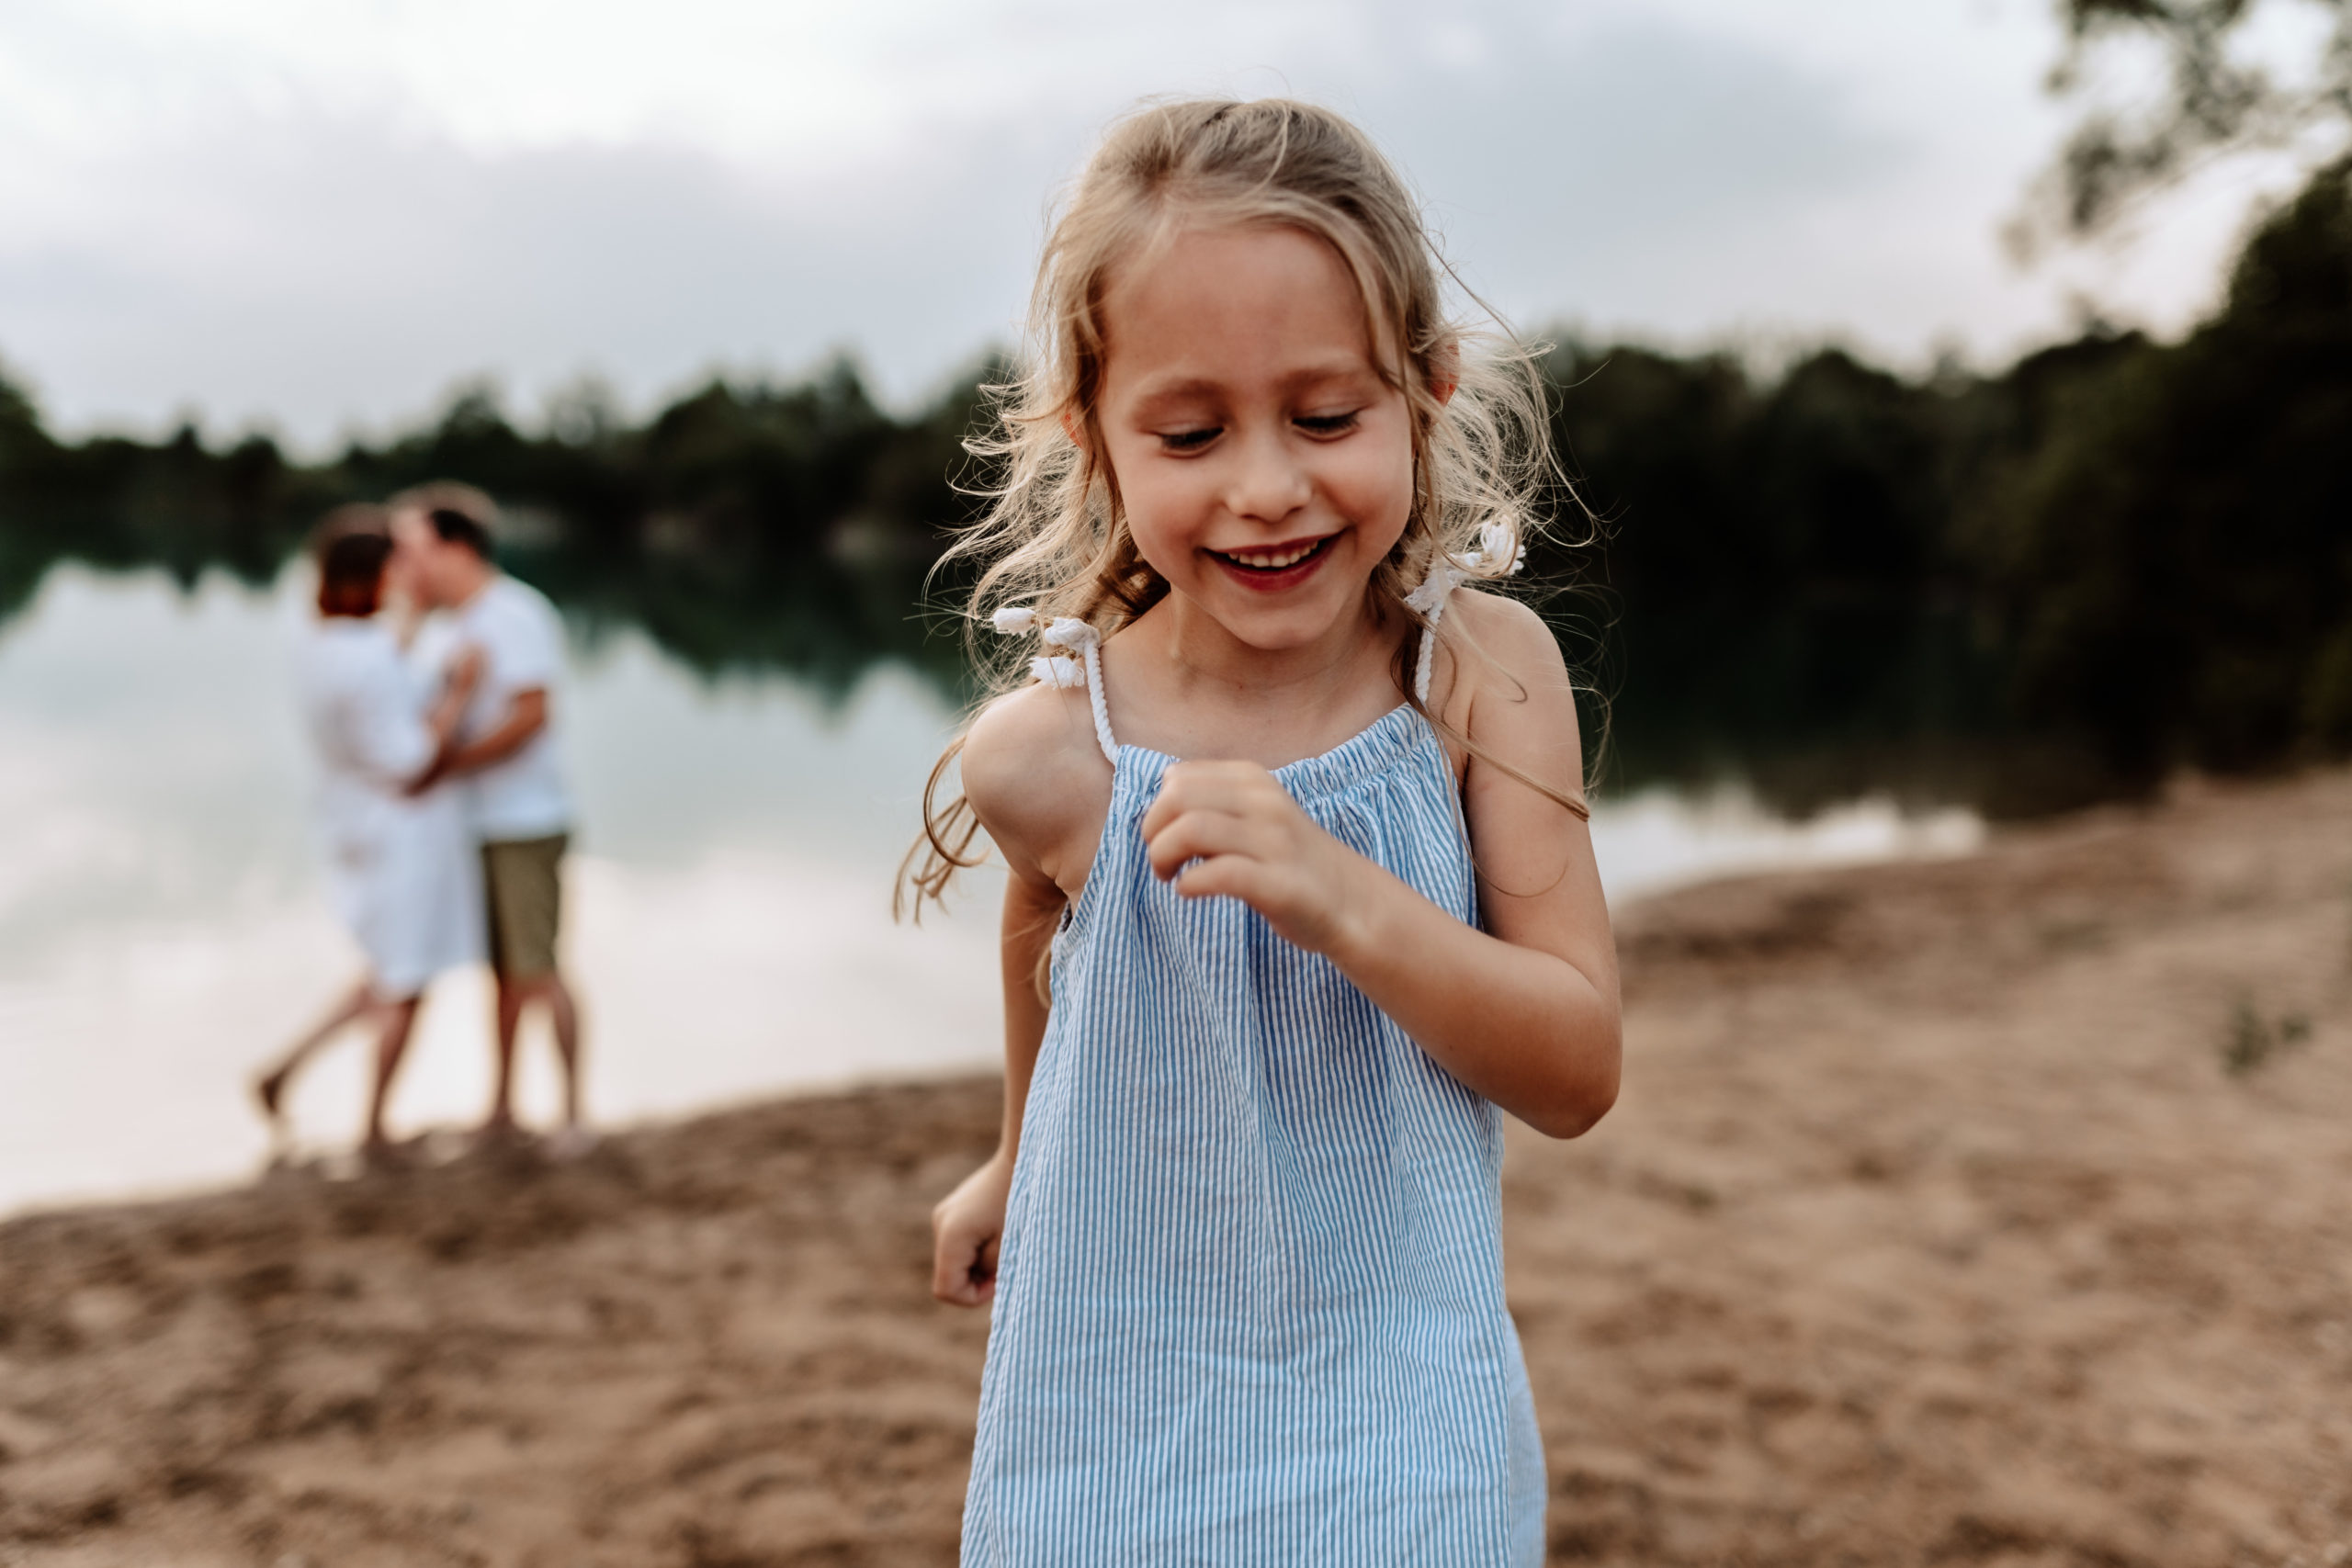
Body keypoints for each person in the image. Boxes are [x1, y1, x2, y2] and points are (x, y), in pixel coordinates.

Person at [904, 99, 1623, 1562]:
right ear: (1092, 436)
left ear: (1425, 389)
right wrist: (1010, 1152)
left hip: (1405, 1430)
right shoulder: (1049, 751)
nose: (1266, 486)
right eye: (1189, 430)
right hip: (1109, 1416)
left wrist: (1342, 896)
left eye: (1325, 415)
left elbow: (1576, 1066)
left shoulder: (1478, 678)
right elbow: (1050, 930)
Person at [257, 507, 482, 1157]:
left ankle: (283, 1071)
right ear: (377, 573)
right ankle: (376, 1127)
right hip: (400, 830)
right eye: (397, 562)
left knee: (384, 969)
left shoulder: (313, 638)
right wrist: (458, 695)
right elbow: (410, 758)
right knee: (406, 984)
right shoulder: (369, 657)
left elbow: (377, 678)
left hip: (347, 818)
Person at [388, 487, 588, 1148]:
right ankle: (502, 1106)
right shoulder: (452, 625)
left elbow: (533, 712)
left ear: (455, 546)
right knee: (501, 973)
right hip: (480, 823)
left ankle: (573, 1112)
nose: (404, 562)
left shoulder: (514, 614)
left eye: (412, 548)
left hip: (525, 820)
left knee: (539, 967)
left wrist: (453, 765)